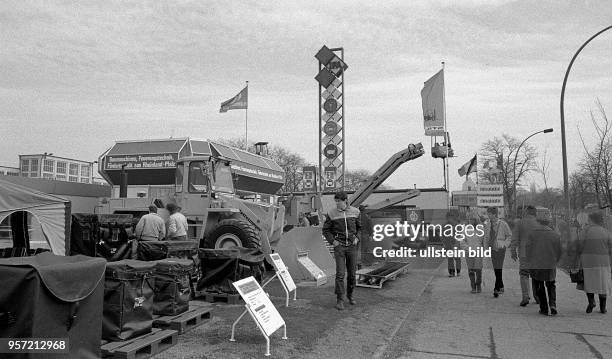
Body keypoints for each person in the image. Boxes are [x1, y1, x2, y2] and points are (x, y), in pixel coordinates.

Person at [323, 191, 361, 310]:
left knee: (352, 274)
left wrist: (357, 238)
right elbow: (326, 230)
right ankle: (340, 299)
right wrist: (333, 241)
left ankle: (350, 295)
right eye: (336, 201)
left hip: (352, 247)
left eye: (338, 201)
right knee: (340, 274)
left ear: (345, 200)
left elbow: (360, 228)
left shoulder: (355, 212)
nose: (337, 203)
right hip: (339, 247)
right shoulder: (331, 213)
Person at [526, 212, 562, 316]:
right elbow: (559, 250)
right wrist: (556, 260)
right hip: (550, 263)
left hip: (536, 263)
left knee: (539, 285)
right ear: (548, 222)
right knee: (551, 284)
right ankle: (553, 304)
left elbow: (528, 249)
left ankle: (544, 308)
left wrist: (528, 260)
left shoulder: (532, 233)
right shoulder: (555, 234)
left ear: (538, 222)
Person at [578, 211, 612, 314]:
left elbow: (580, 245)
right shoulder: (606, 232)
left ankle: (591, 302)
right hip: (604, 261)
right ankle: (603, 307)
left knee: (589, 282)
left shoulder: (585, 231)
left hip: (588, 261)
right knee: (603, 283)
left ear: (592, 220)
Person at [510, 205, 540, 306]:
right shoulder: (539, 223)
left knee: (524, 274)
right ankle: (538, 297)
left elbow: (514, 239)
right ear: (535, 213)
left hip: (524, 253)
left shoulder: (520, 223)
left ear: (526, 212)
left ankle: (525, 296)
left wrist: (513, 251)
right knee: (536, 276)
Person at [484, 207, 512, 298]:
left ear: (494, 214)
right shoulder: (487, 224)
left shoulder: (503, 224)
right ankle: (501, 285)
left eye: (489, 214)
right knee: (496, 268)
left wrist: (505, 245)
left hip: (500, 249)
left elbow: (509, 236)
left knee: (498, 267)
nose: (488, 215)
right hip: (492, 249)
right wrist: (485, 249)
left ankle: (496, 288)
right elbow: (486, 238)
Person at [461, 214, 485, 293]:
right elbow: (462, 241)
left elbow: (485, 240)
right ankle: (473, 287)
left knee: (478, 269)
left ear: (476, 220)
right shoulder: (466, 229)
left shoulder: (481, 228)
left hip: (478, 252)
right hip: (469, 252)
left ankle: (478, 285)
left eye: (473, 219)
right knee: (471, 270)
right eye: (470, 219)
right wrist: (468, 248)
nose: (471, 221)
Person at [443, 210, 462, 277]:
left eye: (451, 216)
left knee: (457, 258)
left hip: (456, 244)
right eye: (448, 217)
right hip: (449, 245)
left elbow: (460, 234)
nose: (449, 218)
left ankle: (458, 271)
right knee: (450, 259)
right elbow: (442, 236)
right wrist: (444, 243)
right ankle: (452, 272)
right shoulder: (445, 225)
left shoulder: (457, 225)